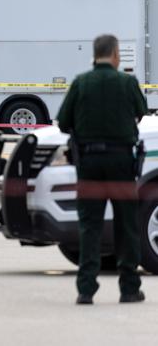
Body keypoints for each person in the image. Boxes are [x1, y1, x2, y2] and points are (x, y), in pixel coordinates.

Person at [57, 34, 147, 305]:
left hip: (89, 163)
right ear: (116, 55)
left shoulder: (81, 83)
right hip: (121, 162)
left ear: (95, 55)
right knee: (127, 226)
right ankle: (129, 288)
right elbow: (141, 110)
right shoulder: (127, 82)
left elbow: (63, 121)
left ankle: (86, 289)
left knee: (90, 225)